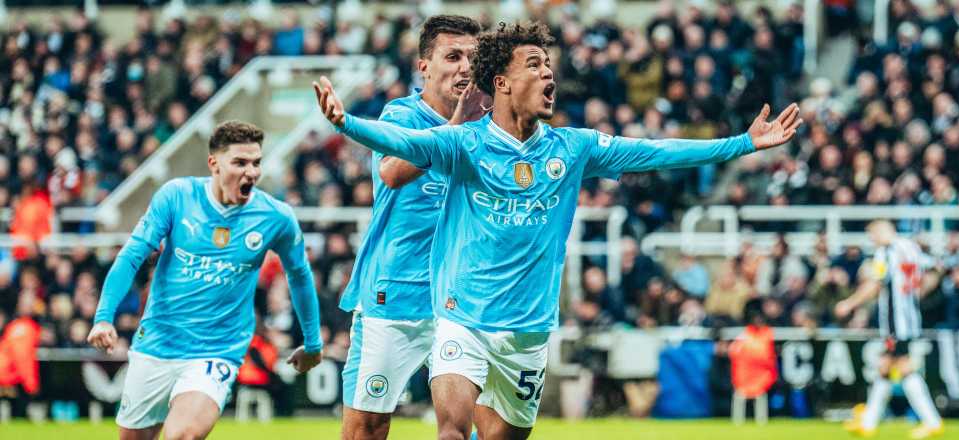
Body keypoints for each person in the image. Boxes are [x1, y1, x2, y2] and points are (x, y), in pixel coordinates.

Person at [314, 21, 801, 440]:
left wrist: (742, 143)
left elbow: (657, 151)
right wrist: (345, 122)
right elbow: (398, 151)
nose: (549, 73)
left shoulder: (573, 148)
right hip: (453, 312)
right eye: (535, 64)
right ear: (502, 81)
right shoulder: (459, 140)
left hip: (527, 328)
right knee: (448, 430)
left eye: (549, 65)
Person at [87, 121, 323, 440]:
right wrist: (103, 318)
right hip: (157, 342)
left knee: (181, 436)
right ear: (214, 164)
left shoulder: (276, 217)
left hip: (216, 351)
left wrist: (312, 342)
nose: (251, 172)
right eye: (240, 162)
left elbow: (299, 275)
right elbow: (131, 256)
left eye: (256, 163)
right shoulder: (177, 196)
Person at [337, 15, 486, 440]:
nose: (464, 67)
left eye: (472, 58)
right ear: (425, 66)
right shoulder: (401, 114)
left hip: (460, 299)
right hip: (396, 290)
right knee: (366, 427)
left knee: (462, 426)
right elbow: (391, 172)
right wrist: (454, 128)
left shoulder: (487, 127)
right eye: (452, 56)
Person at [835, 220, 944, 439]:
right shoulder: (911, 247)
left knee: (904, 368)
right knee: (885, 367)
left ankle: (932, 421)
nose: (872, 240)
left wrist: (849, 303)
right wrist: (915, 295)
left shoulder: (886, 251)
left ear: (883, 231)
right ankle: (868, 423)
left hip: (896, 322)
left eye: (872, 235)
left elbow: (875, 284)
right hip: (910, 317)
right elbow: (935, 267)